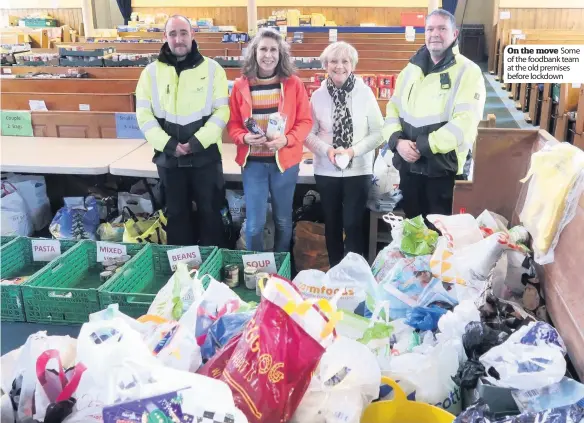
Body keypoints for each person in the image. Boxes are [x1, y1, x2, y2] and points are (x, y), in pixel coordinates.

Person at [382, 8, 486, 220]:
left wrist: (422, 146)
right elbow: (392, 109)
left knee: (441, 238)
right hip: (409, 169)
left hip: (443, 172)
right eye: (430, 29)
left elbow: (464, 124)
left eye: (442, 28)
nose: (434, 34)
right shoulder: (410, 70)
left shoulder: (468, 71)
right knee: (413, 234)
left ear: (454, 34)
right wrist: (397, 141)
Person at [135, 15, 230, 247]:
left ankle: (212, 267)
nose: (179, 39)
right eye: (173, 34)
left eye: (183, 33)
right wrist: (169, 145)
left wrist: (196, 143)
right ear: (164, 37)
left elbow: (222, 112)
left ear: (193, 34)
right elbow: (144, 116)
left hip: (205, 157)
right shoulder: (150, 73)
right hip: (169, 159)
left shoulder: (213, 69)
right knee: (176, 216)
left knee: (211, 214)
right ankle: (181, 269)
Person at [228, 28, 312, 252]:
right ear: (254, 52)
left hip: (284, 164)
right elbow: (233, 124)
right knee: (254, 225)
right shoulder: (240, 86)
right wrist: (244, 137)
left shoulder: (293, 84)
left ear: (281, 53)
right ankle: (254, 268)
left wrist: (287, 140)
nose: (268, 55)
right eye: (263, 49)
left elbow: (305, 122)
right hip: (253, 164)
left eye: (274, 49)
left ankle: (280, 266)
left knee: (283, 221)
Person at [305, 42, 384, 267]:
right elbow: (308, 134)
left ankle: (354, 273)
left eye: (345, 61)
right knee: (331, 224)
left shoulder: (365, 93)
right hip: (326, 171)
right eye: (333, 61)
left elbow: (379, 133)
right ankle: (335, 272)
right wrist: (327, 150)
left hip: (358, 171)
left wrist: (352, 152)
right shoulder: (318, 96)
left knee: (352, 224)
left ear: (353, 65)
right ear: (325, 65)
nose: (339, 66)